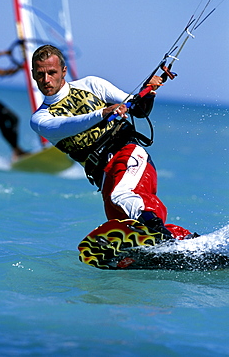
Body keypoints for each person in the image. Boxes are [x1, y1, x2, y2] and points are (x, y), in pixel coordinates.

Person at [30, 44, 196, 240]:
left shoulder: (92, 85)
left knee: (122, 197)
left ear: (63, 71)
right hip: (105, 177)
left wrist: (148, 90)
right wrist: (103, 112)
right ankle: (190, 243)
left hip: (128, 156)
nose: (46, 80)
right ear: (33, 75)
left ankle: (164, 241)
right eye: (41, 74)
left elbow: (138, 110)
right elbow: (69, 125)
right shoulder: (40, 119)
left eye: (52, 72)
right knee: (124, 227)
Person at [0, 50, 27, 160]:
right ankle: (16, 150)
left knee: (14, 119)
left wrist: (19, 68)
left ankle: (16, 149)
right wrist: (2, 53)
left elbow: (3, 73)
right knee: (1, 122)